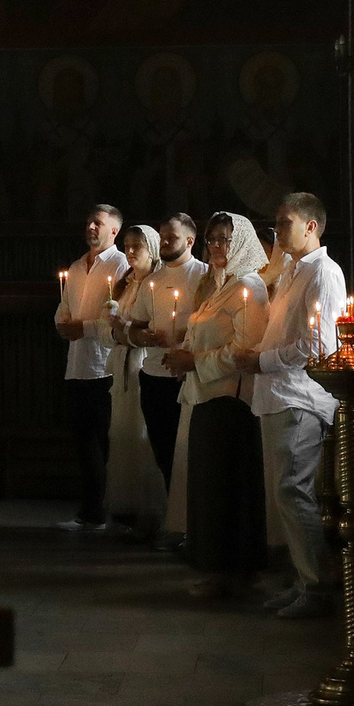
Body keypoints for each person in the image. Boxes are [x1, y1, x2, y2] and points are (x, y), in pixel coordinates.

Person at [233, 192, 344, 619]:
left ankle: (317, 589)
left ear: (311, 227)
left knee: (294, 493)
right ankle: (303, 580)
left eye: (283, 223)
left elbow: (319, 345)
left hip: (299, 396)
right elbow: (284, 331)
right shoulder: (294, 271)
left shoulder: (325, 274)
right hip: (277, 395)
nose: (277, 232)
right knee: (285, 494)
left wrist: (260, 360)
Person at [169, 213, 271, 598]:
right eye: (212, 239)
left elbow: (246, 347)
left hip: (232, 399)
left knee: (227, 489)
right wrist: (184, 354)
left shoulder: (249, 286)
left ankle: (233, 573)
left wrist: (194, 361)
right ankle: (215, 568)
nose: (216, 247)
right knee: (208, 487)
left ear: (242, 241)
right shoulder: (215, 285)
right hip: (206, 395)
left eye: (225, 240)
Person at [126, 212, 206, 546]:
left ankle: (194, 527)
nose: (163, 242)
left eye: (171, 236)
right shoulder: (151, 281)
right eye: (161, 236)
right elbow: (135, 326)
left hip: (189, 376)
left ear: (189, 240)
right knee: (163, 451)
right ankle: (175, 523)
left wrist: (184, 336)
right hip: (154, 374)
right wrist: (146, 338)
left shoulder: (204, 276)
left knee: (187, 452)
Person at [51, 204, 129, 532]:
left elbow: (118, 315)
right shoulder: (77, 266)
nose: (91, 228)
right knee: (83, 442)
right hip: (77, 366)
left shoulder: (121, 264)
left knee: (105, 443)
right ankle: (89, 511)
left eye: (98, 223)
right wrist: (62, 324)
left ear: (114, 230)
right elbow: (63, 308)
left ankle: (108, 510)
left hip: (104, 366)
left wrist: (83, 327)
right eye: (89, 223)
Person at [99, 224, 162, 535]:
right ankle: (127, 510)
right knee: (122, 435)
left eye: (138, 245)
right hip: (122, 363)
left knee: (142, 436)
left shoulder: (154, 284)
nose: (131, 251)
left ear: (153, 248)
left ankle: (150, 513)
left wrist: (126, 329)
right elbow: (111, 328)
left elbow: (149, 330)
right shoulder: (125, 284)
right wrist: (116, 328)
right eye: (127, 244)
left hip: (141, 364)